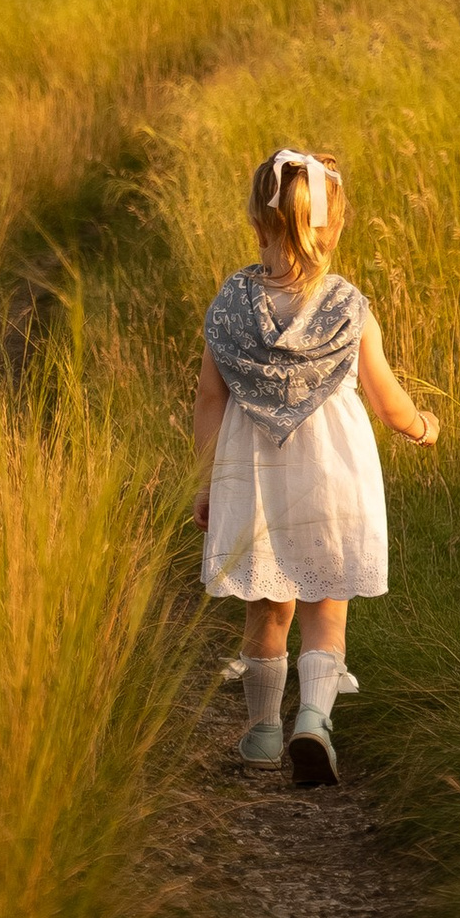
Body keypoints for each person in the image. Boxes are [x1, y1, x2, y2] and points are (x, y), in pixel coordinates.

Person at [191, 143, 439, 786]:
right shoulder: (348, 307)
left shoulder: (230, 305)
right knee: (326, 604)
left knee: (267, 607)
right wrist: (421, 425)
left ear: (257, 221)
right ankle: (313, 720)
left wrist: (204, 483)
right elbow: (386, 400)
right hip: (332, 473)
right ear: (332, 227)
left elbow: (210, 399)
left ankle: (263, 732)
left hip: (252, 475)